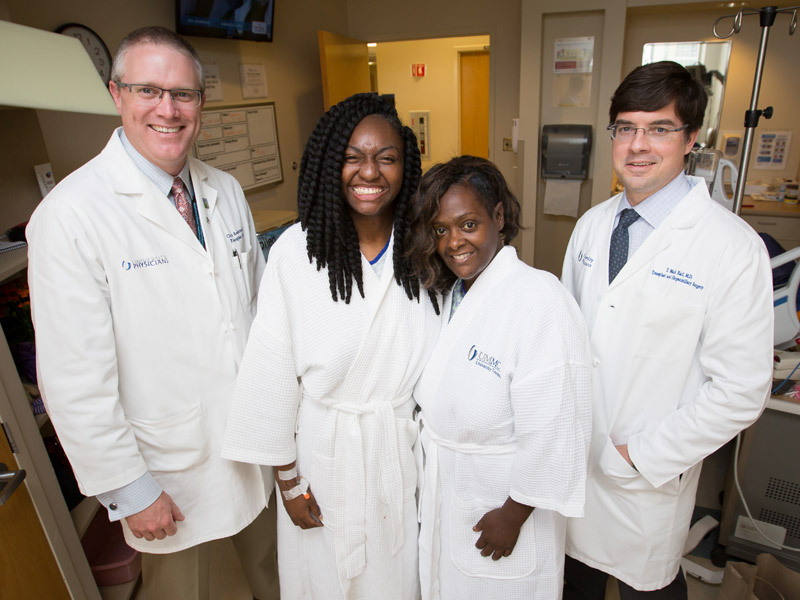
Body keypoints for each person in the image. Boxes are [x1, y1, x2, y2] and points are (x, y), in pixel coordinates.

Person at [27, 26, 278, 600]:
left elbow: (259, 313)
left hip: (252, 449)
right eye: (148, 91)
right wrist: (128, 488)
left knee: (271, 578)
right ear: (117, 95)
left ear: (201, 103)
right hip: (169, 473)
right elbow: (73, 379)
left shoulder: (223, 190)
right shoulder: (70, 216)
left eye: (183, 94)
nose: (167, 109)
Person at [561, 61, 774, 598]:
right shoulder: (591, 226)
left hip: (645, 478)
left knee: (646, 586)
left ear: (691, 139)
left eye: (659, 129)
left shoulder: (729, 246)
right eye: (626, 127)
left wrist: (641, 454)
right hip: (572, 465)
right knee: (571, 583)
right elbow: (564, 338)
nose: (638, 145)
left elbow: (741, 391)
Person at [221, 93, 443, 599]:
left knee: (394, 580)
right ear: (328, 163)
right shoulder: (296, 253)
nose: (370, 172)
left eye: (387, 158)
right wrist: (288, 481)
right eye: (352, 157)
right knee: (321, 582)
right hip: (320, 458)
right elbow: (273, 372)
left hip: (398, 454)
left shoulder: (424, 250)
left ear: (406, 167)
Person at [406, 155, 592, 599]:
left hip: (502, 506)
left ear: (499, 217)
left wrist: (514, 514)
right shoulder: (452, 294)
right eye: (440, 230)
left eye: (468, 224)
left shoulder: (539, 299)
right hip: (451, 493)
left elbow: (559, 426)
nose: (454, 242)